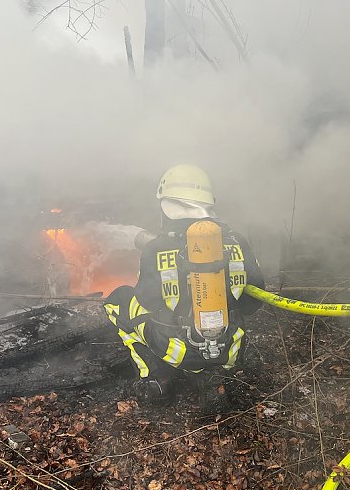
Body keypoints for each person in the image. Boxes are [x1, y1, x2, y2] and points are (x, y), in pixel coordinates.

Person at [104, 164, 264, 406]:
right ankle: (213, 376)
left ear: (167, 205)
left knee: (119, 301)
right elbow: (253, 302)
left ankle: (156, 378)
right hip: (230, 349)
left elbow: (147, 300)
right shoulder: (236, 240)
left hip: (176, 350)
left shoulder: (156, 248)